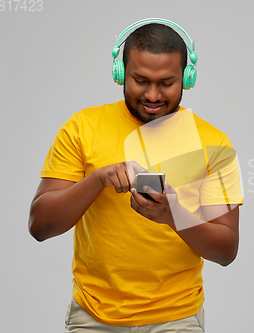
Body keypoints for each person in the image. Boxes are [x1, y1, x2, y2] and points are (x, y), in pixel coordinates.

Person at [28, 18, 242, 333]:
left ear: (187, 77)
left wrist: (173, 215)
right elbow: (40, 226)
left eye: (166, 83)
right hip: (93, 317)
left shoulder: (215, 143)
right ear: (120, 74)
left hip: (177, 318)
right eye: (140, 80)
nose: (153, 95)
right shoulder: (82, 128)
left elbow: (226, 251)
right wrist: (98, 178)